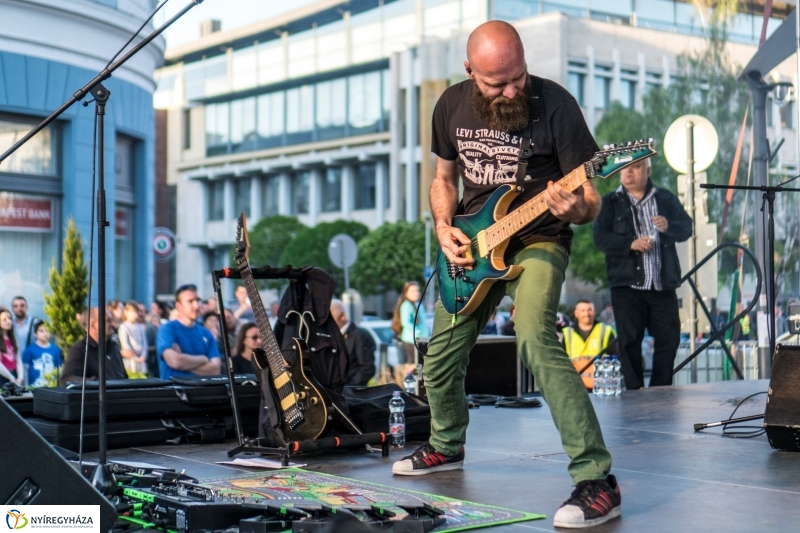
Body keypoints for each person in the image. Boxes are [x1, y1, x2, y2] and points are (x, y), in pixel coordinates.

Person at [392, 21, 621, 529]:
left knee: (533, 334)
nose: (512, 89)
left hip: (541, 236)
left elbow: (589, 200)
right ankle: (446, 445)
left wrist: (574, 209)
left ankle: (596, 480)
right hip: (474, 245)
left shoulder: (555, 104)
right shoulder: (450, 105)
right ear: (470, 71)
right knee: (441, 351)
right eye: (498, 83)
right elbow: (443, 179)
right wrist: (444, 225)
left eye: (517, 76)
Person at [593, 158, 692, 390]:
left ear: (648, 170)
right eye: (624, 168)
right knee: (628, 343)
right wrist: (630, 243)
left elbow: (686, 227)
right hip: (626, 287)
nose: (628, 171)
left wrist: (669, 226)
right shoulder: (609, 202)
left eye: (635, 167)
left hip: (662, 285)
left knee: (669, 340)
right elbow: (600, 237)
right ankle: (634, 393)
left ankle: (660, 390)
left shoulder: (665, 198)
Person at [156, 284, 221, 380]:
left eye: (198, 300)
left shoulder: (206, 333)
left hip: (201, 393)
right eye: (190, 301)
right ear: (178, 306)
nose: (196, 305)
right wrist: (203, 359)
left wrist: (183, 358)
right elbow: (175, 361)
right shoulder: (166, 330)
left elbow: (215, 370)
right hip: (175, 392)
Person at [60, 307, 128, 385]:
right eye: (108, 321)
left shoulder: (113, 347)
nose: (112, 324)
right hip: (97, 396)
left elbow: (124, 377)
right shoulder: (80, 350)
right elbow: (66, 379)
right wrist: (96, 383)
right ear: (92, 325)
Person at [562, 300, 616, 390]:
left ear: (594, 312)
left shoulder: (606, 330)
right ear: (576, 313)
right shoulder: (567, 333)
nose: (587, 313)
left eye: (589, 310)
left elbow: (615, 357)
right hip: (575, 387)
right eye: (583, 310)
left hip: (601, 387)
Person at [330, 299, 376, 386]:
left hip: (350, 393)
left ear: (342, 316)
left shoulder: (359, 335)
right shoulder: (330, 335)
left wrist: (349, 388)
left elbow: (367, 368)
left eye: (330, 316)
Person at [392, 281, 429, 383]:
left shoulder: (417, 305)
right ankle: (410, 386)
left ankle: (416, 385)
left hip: (420, 340)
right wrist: (419, 334)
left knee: (418, 365)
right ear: (406, 293)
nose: (416, 293)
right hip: (411, 340)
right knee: (412, 365)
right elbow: (406, 323)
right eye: (413, 291)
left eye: (417, 290)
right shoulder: (406, 305)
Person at [22, 319, 62, 387]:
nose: (45, 333)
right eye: (41, 331)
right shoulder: (29, 350)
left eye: (47, 330)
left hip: (51, 387)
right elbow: (25, 370)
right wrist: (26, 387)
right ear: (35, 334)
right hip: (33, 388)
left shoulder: (55, 349)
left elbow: (59, 369)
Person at [118, 301, 148, 377]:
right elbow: (125, 344)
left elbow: (144, 343)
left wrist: (143, 356)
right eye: (132, 312)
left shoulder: (140, 327)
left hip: (141, 361)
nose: (134, 315)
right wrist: (134, 357)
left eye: (136, 312)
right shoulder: (123, 327)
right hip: (130, 361)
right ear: (126, 312)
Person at [0, 308, 22, 384]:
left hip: (14, 375)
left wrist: (20, 377)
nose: (8, 321)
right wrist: (11, 377)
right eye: (4, 319)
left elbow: (18, 359)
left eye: (9, 318)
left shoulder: (13, 338)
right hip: (3, 377)